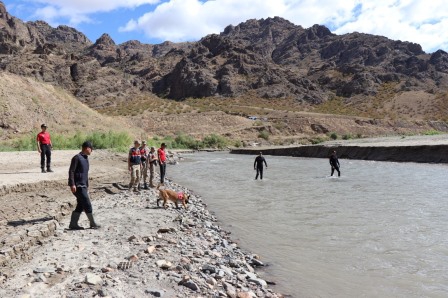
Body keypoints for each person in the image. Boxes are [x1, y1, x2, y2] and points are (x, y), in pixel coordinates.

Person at [68, 141, 100, 230]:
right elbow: (71, 171)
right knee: (87, 203)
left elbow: (85, 174)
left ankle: (73, 224)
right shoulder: (76, 158)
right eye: (91, 149)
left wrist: (87, 186)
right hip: (78, 186)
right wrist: (72, 184)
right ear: (87, 148)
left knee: (81, 204)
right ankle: (92, 223)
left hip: (83, 185)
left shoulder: (85, 158)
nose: (92, 151)